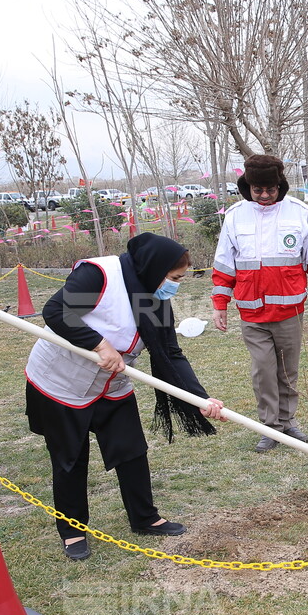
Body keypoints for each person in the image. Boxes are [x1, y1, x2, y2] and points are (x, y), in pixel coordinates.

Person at [25, 233, 226, 560]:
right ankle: (72, 529)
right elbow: (57, 311)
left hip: (112, 383)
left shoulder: (154, 299)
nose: (174, 286)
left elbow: (171, 355)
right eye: (174, 278)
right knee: (70, 458)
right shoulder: (100, 276)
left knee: (132, 450)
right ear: (154, 268)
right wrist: (99, 344)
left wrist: (200, 399)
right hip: (61, 382)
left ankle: (145, 518)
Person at [211, 154, 308, 452]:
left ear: (280, 185)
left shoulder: (298, 212)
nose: (264, 196)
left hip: (290, 310)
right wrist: (219, 304)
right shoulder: (235, 216)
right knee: (263, 370)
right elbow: (224, 265)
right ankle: (270, 427)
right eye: (258, 190)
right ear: (247, 187)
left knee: (287, 371)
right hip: (251, 311)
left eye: (271, 190)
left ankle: (288, 422)